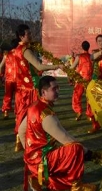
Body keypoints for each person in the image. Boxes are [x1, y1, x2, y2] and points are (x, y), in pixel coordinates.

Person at [18, 76, 96, 191]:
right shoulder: (46, 114)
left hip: (32, 161)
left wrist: (29, 155)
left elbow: (20, 131)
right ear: (44, 92)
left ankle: (38, 177)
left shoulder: (33, 107)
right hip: (43, 161)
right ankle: (77, 187)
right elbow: (66, 139)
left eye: (58, 88)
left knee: (62, 165)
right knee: (75, 148)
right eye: (54, 89)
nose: (58, 91)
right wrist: (90, 153)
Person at [13, 24, 63, 152]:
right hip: (31, 90)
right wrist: (55, 66)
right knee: (39, 118)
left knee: (25, 121)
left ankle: (28, 148)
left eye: (30, 33)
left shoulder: (17, 49)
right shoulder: (26, 50)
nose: (31, 36)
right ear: (21, 36)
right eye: (28, 34)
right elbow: (39, 66)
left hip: (21, 90)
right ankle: (41, 149)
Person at [69, 41, 93, 121]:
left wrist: (70, 77)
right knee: (89, 98)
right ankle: (89, 114)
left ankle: (78, 111)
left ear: (82, 47)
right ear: (88, 47)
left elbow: (72, 67)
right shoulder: (91, 56)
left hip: (81, 79)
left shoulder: (79, 56)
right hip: (89, 80)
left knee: (76, 96)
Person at [0, 39, 18, 119]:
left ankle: (6, 112)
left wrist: (1, 76)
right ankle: (17, 115)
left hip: (8, 79)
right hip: (18, 79)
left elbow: (1, 66)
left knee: (8, 96)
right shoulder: (20, 53)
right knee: (18, 97)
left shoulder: (6, 54)